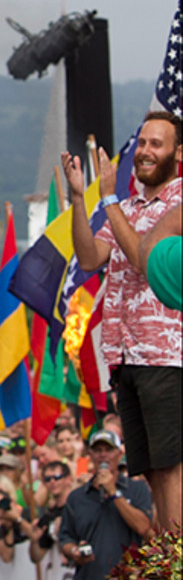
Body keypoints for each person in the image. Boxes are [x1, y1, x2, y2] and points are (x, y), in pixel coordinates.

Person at [62, 110, 182, 531]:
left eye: (156, 144)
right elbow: (90, 257)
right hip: (127, 354)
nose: (145, 152)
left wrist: (109, 200)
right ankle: (166, 565)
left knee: (171, 466)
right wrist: (81, 199)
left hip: (167, 354)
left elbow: (144, 258)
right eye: (142, 143)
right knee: (149, 469)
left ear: (178, 153)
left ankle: (174, 569)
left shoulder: (179, 203)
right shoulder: (128, 206)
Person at [57, 429, 153, 580]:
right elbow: (65, 538)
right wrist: (74, 552)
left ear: (119, 453)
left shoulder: (137, 489)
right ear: (90, 455)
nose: (103, 455)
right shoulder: (77, 497)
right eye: (98, 450)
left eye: (108, 450)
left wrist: (114, 493)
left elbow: (143, 527)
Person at [29, 459, 73, 565]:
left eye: (57, 477)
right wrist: (34, 540)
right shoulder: (48, 516)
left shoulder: (78, 506)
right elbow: (37, 557)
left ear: (68, 479)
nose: (52, 482)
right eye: (48, 479)